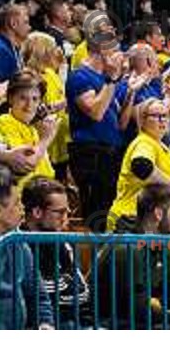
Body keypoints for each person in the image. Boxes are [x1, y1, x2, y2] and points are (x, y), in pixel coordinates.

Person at [97, 183, 170, 329]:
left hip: (136, 322)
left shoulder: (166, 251)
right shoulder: (126, 248)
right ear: (158, 213)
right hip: (107, 323)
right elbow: (137, 309)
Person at [66, 25, 139, 232]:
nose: (120, 55)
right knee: (96, 216)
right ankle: (92, 262)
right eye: (115, 49)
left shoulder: (107, 79)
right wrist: (112, 80)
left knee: (109, 214)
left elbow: (121, 124)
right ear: (101, 49)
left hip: (111, 152)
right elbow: (96, 112)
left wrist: (131, 92)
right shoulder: (80, 76)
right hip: (91, 153)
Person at [109, 98, 170, 231]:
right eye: (156, 116)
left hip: (157, 223)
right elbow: (141, 165)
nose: (162, 120)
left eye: (165, 116)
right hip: (133, 220)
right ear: (142, 120)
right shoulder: (144, 142)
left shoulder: (161, 145)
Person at [21, 176, 90, 328]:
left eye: (68, 212)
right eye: (60, 212)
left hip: (76, 321)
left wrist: (63, 288)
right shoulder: (18, 244)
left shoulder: (62, 242)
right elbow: (42, 297)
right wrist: (65, 286)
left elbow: (82, 293)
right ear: (37, 212)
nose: (66, 219)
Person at [0, 164, 54, 329]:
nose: (22, 210)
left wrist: (46, 323)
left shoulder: (19, 243)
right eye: (16, 204)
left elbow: (39, 296)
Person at [21, 31, 70, 182]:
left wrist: (63, 67)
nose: (57, 51)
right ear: (43, 52)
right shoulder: (27, 77)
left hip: (60, 139)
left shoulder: (50, 72)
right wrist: (55, 106)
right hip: (40, 142)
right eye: (53, 48)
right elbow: (29, 112)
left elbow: (61, 92)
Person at [0, 70, 57, 188]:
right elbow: (27, 164)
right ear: (10, 99)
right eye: (23, 98)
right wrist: (46, 139)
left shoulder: (34, 129)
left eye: (35, 99)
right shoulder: (3, 123)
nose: (29, 105)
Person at [0, 4, 31, 83]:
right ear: (13, 24)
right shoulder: (1, 50)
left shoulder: (12, 48)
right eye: (26, 22)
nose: (30, 27)